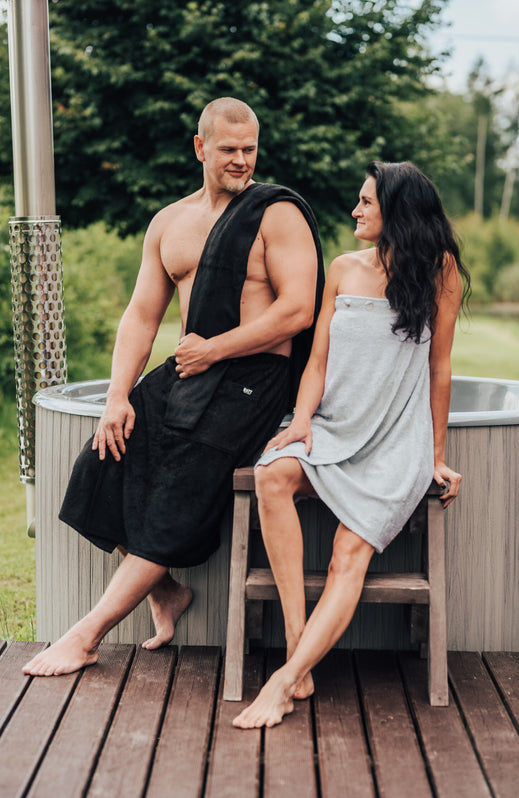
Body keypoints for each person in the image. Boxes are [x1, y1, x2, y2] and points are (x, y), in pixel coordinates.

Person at [23, 97, 324, 677]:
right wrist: (118, 396)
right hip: (192, 370)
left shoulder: (276, 214)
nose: (241, 160)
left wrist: (216, 348)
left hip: (252, 381)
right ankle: (166, 591)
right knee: (101, 465)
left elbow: (297, 310)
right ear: (200, 148)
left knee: (179, 493)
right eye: (229, 149)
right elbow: (141, 316)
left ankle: (84, 636)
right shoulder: (170, 222)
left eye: (250, 149)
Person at [233, 160, 470, 729]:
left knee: (347, 555)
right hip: (334, 427)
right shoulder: (341, 268)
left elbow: (440, 368)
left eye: (367, 202)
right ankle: (299, 646)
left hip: (395, 441)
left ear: (398, 211)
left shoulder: (440, 271)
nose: (355, 210)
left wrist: (435, 455)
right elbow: (317, 360)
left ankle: (283, 682)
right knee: (271, 474)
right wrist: (302, 422)